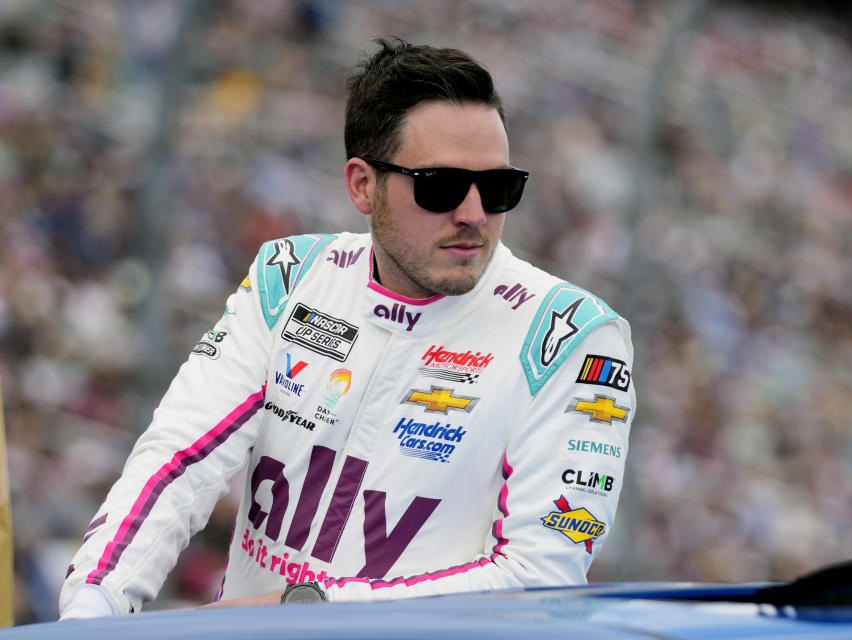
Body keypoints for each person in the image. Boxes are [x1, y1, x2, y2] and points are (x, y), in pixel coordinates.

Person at [60, 37, 635, 617]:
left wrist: (303, 608)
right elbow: (179, 459)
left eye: (498, 187)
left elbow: (540, 580)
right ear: (362, 184)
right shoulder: (292, 276)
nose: (473, 214)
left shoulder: (573, 339)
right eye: (440, 186)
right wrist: (95, 604)